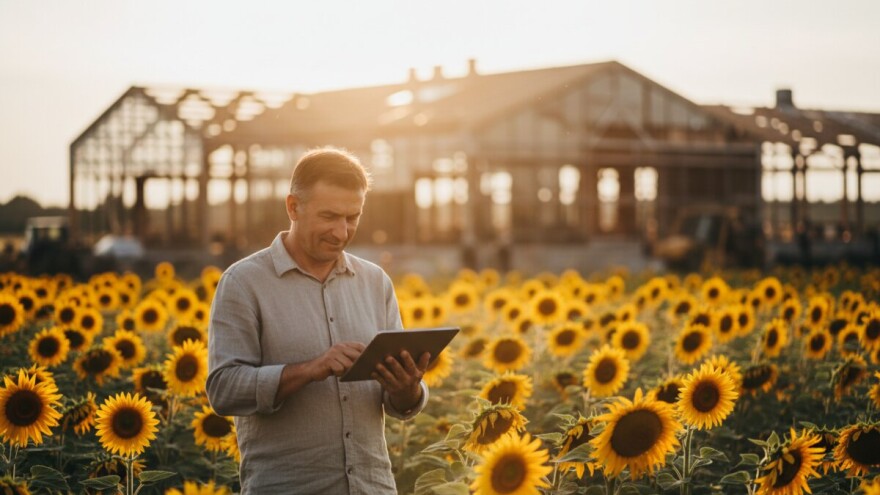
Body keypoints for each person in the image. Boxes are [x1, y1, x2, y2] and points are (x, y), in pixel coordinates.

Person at [206, 147, 430, 494]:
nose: (341, 232)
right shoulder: (244, 283)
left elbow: (396, 403)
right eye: (329, 216)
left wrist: (407, 389)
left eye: (352, 217)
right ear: (293, 207)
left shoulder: (375, 282)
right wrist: (311, 369)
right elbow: (223, 390)